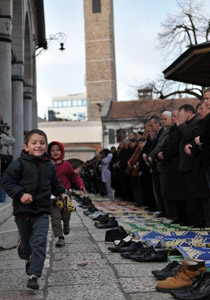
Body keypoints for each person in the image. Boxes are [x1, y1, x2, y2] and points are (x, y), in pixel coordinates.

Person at [1, 129, 65, 290]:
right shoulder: (19, 164)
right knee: (27, 243)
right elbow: (7, 182)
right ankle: (25, 252)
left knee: (40, 241)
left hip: (42, 210)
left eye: (42, 143)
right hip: (23, 211)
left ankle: (34, 275)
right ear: (26, 147)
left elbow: (55, 183)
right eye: (34, 143)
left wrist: (61, 193)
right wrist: (21, 194)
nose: (38, 146)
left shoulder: (49, 166)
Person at [48, 141, 85, 247]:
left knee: (65, 214)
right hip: (52, 196)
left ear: (62, 151)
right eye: (52, 150)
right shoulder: (47, 165)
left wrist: (81, 185)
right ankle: (60, 237)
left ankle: (66, 223)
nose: (55, 152)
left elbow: (74, 177)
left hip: (65, 194)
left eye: (57, 150)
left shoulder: (66, 165)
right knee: (55, 217)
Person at [0, 122, 15, 202]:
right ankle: (2, 198)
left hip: (3, 159)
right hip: (3, 160)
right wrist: (7, 134)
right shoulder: (2, 136)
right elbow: (13, 141)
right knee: (3, 178)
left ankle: (2, 197)